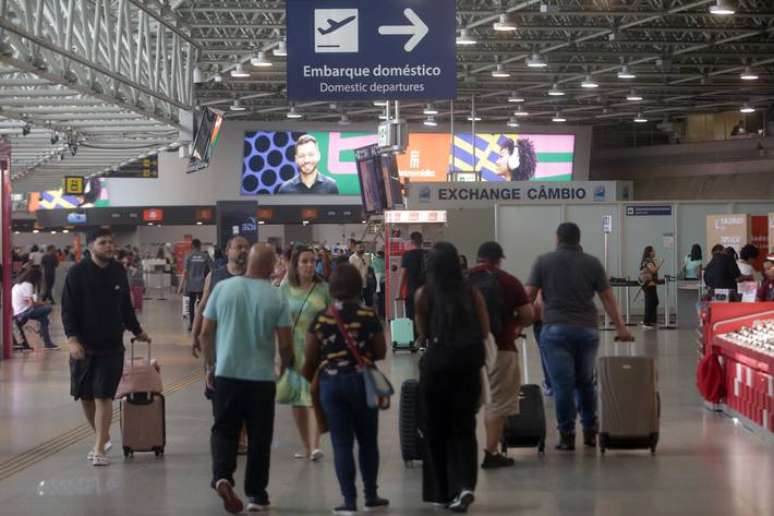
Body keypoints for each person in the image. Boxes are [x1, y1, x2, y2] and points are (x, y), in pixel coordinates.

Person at [200, 244, 293, 514]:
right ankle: (257, 495)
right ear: (269, 267)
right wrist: (284, 367)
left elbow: (206, 333)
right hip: (261, 378)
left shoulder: (224, 289)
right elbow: (285, 344)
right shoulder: (276, 297)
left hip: (226, 374)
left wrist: (210, 364)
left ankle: (222, 477)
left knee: (224, 429)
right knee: (259, 437)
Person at [525, 222, 633, 452]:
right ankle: (590, 432)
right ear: (578, 239)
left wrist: (516, 325)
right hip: (586, 331)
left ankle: (566, 435)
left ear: (557, 238)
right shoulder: (592, 263)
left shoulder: (543, 262)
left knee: (562, 385)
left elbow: (528, 296)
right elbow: (607, 298)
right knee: (585, 382)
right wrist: (621, 327)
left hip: (554, 330)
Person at [302, 264, 389, 515]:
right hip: (362, 382)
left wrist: (310, 379)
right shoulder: (367, 314)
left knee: (342, 444)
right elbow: (381, 351)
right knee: (368, 441)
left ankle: (349, 501)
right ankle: (371, 495)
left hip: (332, 383)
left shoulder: (321, 317)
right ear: (356, 286)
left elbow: (310, 357)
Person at [61, 228, 151, 467]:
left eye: (111, 242)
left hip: (111, 346)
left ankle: (99, 448)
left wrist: (137, 330)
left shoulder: (118, 271)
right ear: (91, 247)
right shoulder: (77, 273)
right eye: (103, 243)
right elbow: (68, 309)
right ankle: (103, 435)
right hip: (83, 347)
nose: (110, 246)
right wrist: (72, 339)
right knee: (86, 397)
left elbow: (125, 307)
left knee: (103, 397)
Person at [415, 242, 490, 513]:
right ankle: (466, 485)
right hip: (468, 366)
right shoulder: (473, 293)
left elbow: (422, 332)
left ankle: (442, 491)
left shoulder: (424, 294)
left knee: (435, 429)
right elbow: (484, 330)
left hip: (437, 366)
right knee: (464, 427)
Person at [467, 241, 534, 469]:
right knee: (496, 402)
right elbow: (528, 314)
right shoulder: (509, 281)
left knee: (463, 402)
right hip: (501, 347)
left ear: (478, 257)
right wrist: (513, 326)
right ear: (499, 259)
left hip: (464, 349)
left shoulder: (463, 279)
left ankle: (460, 453)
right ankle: (491, 451)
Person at [280, 246, 331, 461]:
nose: (310, 265)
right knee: (297, 400)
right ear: (295, 265)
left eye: (313, 261)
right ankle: (306, 444)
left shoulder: (324, 289)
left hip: (317, 351)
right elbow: (278, 321)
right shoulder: (285, 290)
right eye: (305, 261)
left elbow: (333, 319)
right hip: (293, 350)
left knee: (313, 397)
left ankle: (315, 445)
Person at [12, 267, 59, 350]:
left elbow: (26, 301)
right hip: (24, 312)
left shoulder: (17, 284)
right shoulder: (28, 285)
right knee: (48, 308)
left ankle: (47, 341)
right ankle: (46, 341)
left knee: (44, 319)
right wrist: (43, 303)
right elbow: (32, 304)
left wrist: (38, 304)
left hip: (18, 311)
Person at [179, 239, 212, 332]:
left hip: (191, 284)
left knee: (191, 304)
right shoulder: (205, 256)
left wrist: (180, 286)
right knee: (202, 304)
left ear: (192, 246)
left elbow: (185, 271)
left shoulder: (188, 256)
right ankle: (201, 324)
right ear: (200, 245)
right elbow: (210, 271)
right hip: (202, 284)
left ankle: (192, 324)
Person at [398, 232, 427, 322]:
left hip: (411, 291)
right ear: (422, 241)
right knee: (425, 315)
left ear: (411, 241)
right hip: (426, 290)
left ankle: (413, 334)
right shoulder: (428, 254)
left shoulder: (407, 255)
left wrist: (398, 293)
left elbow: (402, 275)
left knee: (411, 317)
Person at [640, 246, 661, 329]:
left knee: (654, 301)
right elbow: (653, 270)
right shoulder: (647, 260)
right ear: (649, 252)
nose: (654, 252)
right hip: (648, 284)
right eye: (653, 251)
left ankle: (649, 320)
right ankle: (646, 322)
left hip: (652, 283)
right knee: (651, 302)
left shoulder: (649, 260)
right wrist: (660, 263)